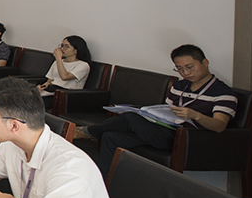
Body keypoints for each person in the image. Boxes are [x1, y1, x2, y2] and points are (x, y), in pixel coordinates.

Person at [79, 44, 236, 172]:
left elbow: (219, 126)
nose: (186, 73)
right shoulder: (180, 86)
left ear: (205, 63)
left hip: (188, 139)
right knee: (111, 136)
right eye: (180, 69)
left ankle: (86, 132)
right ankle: (105, 184)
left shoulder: (223, 93)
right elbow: (166, 110)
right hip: (164, 130)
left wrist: (196, 115)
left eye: (190, 67)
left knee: (130, 118)